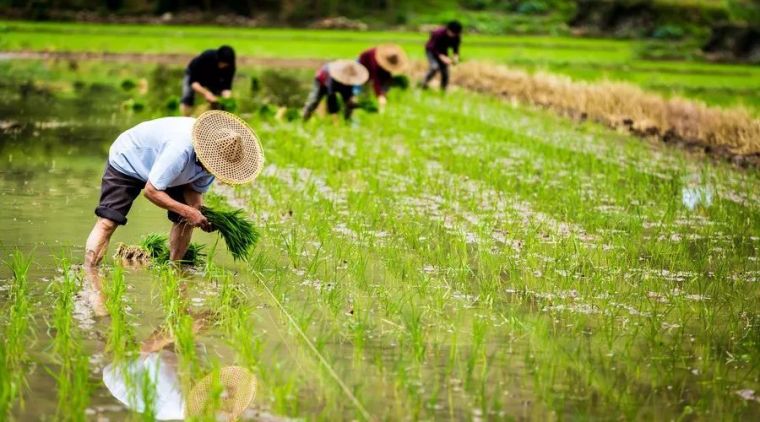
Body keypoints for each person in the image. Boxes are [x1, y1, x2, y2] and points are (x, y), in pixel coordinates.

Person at [84, 111, 264, 274]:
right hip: (130, 159)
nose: (213, 171)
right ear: (205, 153)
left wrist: (198, 212)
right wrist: (189, 211)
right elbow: (152, 190)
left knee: (186, 220)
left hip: (170, 171)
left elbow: (193, 192)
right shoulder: (180, 149)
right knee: (108, 221)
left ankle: (174, 270)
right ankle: (89, 274)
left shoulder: (214, 165)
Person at [302, 60, 369, 122]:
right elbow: (331, 97)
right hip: (321, 81)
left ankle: (348, 121)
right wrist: (335, 118)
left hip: (337, 83)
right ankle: (304, 119)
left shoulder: (349, 81)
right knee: (314, 100)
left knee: (349, 102)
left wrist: (351, 102)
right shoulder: (333, 78)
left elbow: (348, 95)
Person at [181, 46, 236, 116]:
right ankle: (185, 118)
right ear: (218, 59)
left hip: (214, 77)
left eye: (225, 65)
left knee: (217, 104)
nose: (223, 66)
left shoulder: (230, 65)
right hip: (195, 74)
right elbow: (193, 83)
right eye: (221, 63)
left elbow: (226, 87)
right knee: (188, 98)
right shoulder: (206, 57)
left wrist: (226, 100)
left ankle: (212, 121)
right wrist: (206, 93)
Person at [357, 44, 408, 112]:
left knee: (383, 86)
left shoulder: (387, 61)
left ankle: (369, 102)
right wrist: (380, 95)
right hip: (362, 63)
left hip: (374, 67)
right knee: (362, 87)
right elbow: (376, 80)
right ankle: (361, 105)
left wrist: (384, 93)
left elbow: (387, 76)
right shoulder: (375, 61)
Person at [421, 21, 463, 92]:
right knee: (434, 67)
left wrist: (455, 57)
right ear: (448, 30)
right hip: (431, 50)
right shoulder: (438, 33)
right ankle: (423, 84)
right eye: (452, 33)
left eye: (455, 34)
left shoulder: (457, 36)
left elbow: (456, 49)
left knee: (445, 71)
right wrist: (442, 57)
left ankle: (443, 90)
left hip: (443, 51)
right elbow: (434, 47)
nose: (453, 35)